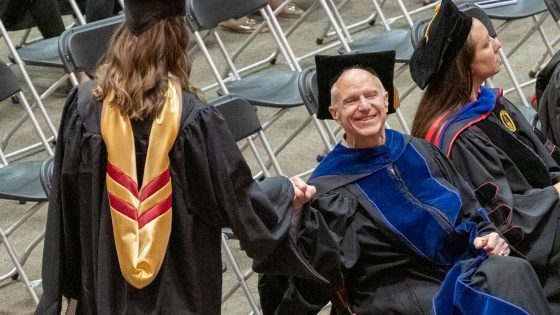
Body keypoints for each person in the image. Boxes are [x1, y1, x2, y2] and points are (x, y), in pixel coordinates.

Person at [35, 0, 318, 313]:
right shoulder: (194, 119)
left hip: (104, 281)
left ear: (120, 38)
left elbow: (67, 203)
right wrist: (284, 191)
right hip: (179, 284)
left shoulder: (83, 107)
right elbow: (235, 199)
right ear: (177, 42)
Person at [258, 51, 553, 314]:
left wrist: (488, 234)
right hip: (399, 292)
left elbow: (470, 207)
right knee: (495, 285)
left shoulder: (418, 150)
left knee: (513, 270)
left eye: (371, 95)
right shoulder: (329, 189)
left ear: (386, 100)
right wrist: (297, 217)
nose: (364, 106)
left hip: (460, 265)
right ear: (335, 114)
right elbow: (322, 275)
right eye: (351, 101)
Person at [410, 0, 560, 311]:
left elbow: (544, 157)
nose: (498, 44)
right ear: (465, 65)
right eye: (486, 44)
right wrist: (555, 194)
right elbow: (502, 218)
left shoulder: (491, 104)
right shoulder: (459, 136)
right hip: (524, 245)